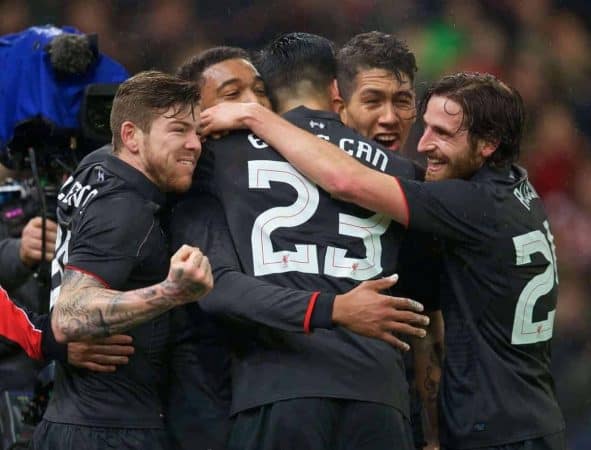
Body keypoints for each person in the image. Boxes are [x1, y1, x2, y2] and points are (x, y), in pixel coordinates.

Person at [203, 71, 565, 449]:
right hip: (531, 416)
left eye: (443, 134)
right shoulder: (517, 189)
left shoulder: (469, 204)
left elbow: (346, 181)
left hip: (496, 430)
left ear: (489, 143)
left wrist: (254, 117)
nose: (424, 145)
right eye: (426, 128)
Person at [172, 33, 434, 450]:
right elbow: (426, 310)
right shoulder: (402, 171)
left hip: (278, 389)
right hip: (380, 398)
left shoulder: (217, 158)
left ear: (269, 96)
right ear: (336, 90)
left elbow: (215, 287)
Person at [31, 70, 214, 450]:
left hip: (69, 418)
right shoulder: (125, 209)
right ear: (131, 136)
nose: (195, 145)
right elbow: (69, 316)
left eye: (199, 132)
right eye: (179, 130)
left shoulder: (96, 167)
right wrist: (172, 292)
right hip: (111, 431)